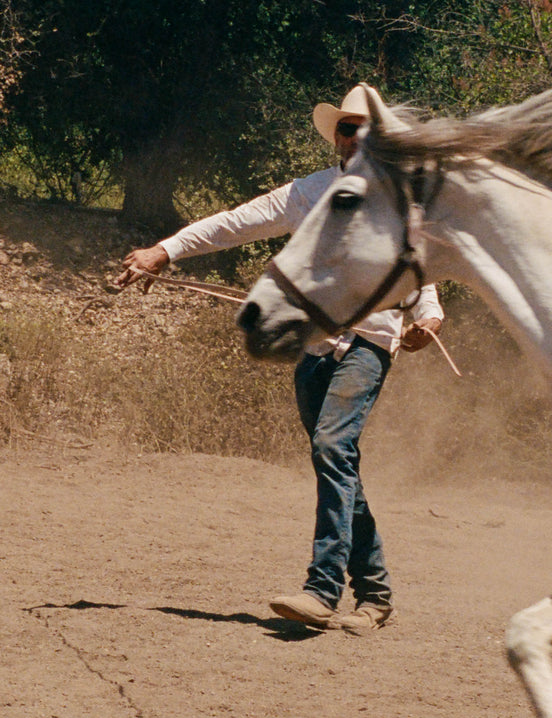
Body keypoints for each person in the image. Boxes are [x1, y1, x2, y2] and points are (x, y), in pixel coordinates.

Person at [114, 84, 444, 633]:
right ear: (336, 136)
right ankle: (376, 593)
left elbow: (419, 266)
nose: (356, 136)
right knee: (335, 460)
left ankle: (322, 590)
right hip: (313, 345)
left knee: (332, 446)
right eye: (347, 127)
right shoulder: (309, 193)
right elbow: (236, 221)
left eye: (368, 128)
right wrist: (164, 250)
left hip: (369, 341)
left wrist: (427, 317)